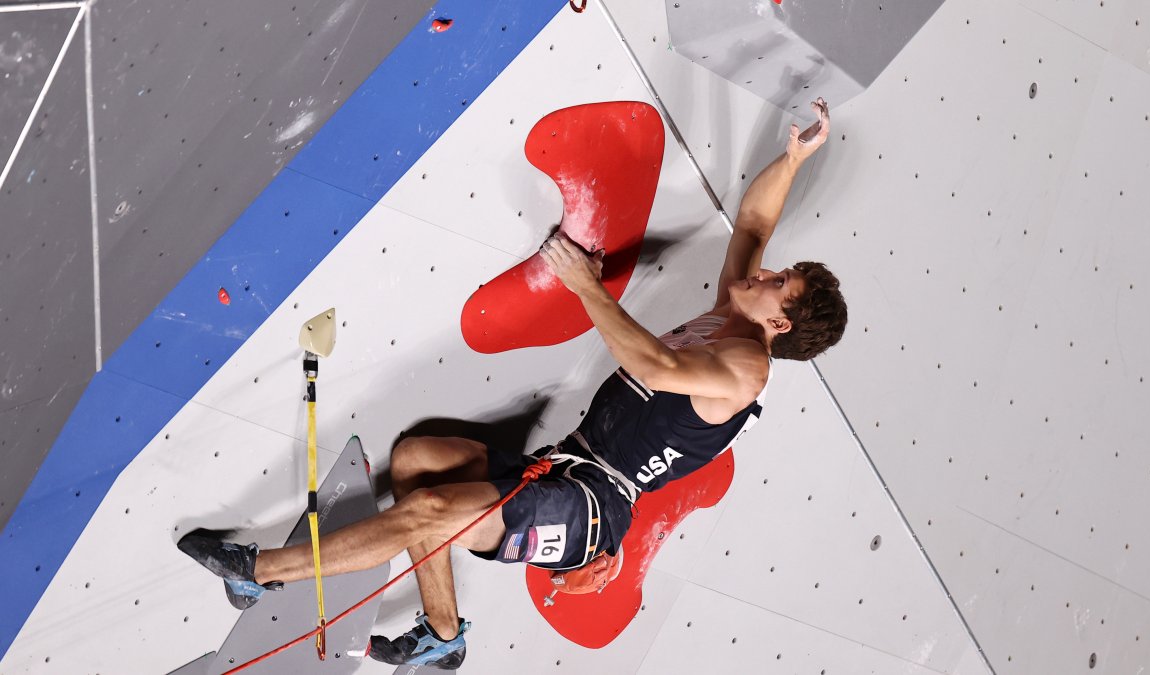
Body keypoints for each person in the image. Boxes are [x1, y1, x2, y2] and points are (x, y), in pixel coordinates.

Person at [178, 98, 847, 669]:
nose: (761, 274)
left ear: (782, 323)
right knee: (416, 461)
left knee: (430, 514)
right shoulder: (733, 312)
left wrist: (587, 287)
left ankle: (258, 571)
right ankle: (442, 638)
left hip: (591, 509)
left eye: (775, 283)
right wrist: (791, 160)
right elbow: (755, 224)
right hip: (568, 462)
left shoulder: (745, 367)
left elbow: (657, 368)